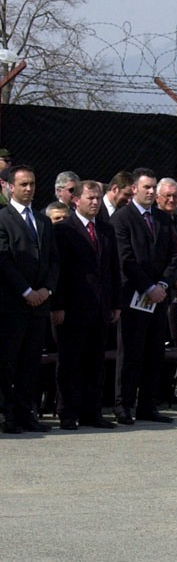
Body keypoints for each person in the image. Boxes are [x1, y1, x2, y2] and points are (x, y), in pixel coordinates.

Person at [110, 168, 177, 424]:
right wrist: (147, 287)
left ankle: (148, 405)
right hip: (134, 296)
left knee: (154, 352)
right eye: (147, 188)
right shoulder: (122, 218)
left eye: (154, 187)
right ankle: (124, 405)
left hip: (159, 297)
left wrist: (162, 284)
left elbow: (174, 257)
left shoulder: (163, 220)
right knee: (130, 353)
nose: (151, 192)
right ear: (134, 189)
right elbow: (126, 259)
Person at [51, 180, 121, 429]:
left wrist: (115, 303)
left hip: (100, 307)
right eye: (90, 198)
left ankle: (92, 412)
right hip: (73, 308)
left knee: (95, 362)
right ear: (75, 200)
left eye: (97, 198)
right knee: (71, 362)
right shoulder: (64, 230)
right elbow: (58, 271)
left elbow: (113, 268)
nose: (94, 202)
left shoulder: (105, 229)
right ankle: (68, 412)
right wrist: (57, 305)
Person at [0, 165, 60, 433]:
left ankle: (27, 413)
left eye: (32, 184)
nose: (29, 189)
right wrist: (26, 291)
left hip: (39, 306)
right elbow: (4, 261)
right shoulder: (3, 219)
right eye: (23, 184)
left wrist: (46, 290)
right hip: (13, 305)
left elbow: (53, 261)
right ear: (10, 187)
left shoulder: (42, 221)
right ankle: (9, 415)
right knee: (8, 362)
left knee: (31, 362)